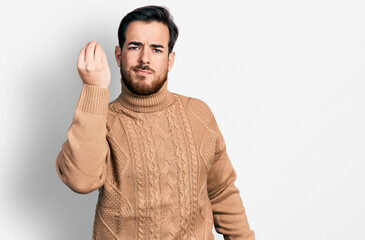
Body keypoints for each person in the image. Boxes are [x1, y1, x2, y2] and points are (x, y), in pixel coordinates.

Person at [56, 5, 255, 240]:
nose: (145, 59)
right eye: (135, 46)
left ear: (170, 60)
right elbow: (80, 181)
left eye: (157, 49)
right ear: (119, 56)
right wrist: (94, 89)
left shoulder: (198, 114)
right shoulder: (102, 121)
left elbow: (222, 191)